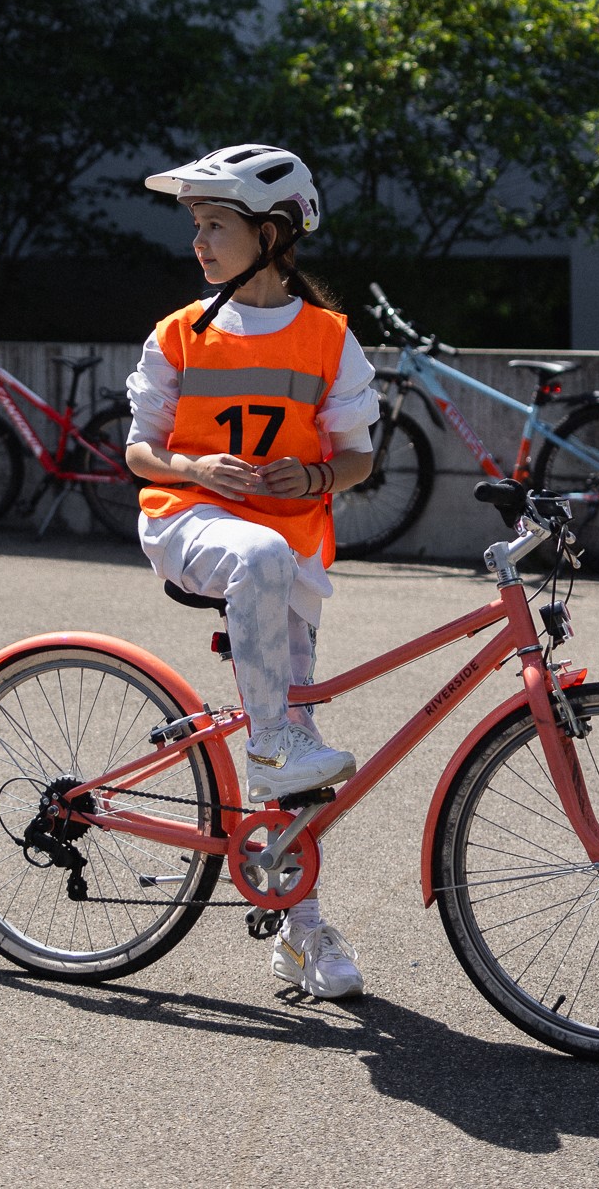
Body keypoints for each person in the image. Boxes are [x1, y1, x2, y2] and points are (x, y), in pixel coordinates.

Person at [124, 144, 380, 999]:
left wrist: (311, 477)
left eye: (217, 226)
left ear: (274, 234)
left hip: (290, 552)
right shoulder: (180, 333)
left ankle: (302, 935)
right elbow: (138, 450)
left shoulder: (329, 340)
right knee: (283, 735)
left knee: (303, 757)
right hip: (190, 522)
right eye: (196, 226)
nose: (199, 242)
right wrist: (197, 471)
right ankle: (268, 741)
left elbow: (356, 459)